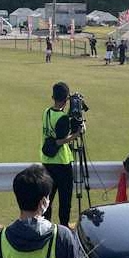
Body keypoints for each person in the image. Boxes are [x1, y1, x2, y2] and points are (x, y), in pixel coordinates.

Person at [40, 82, 81, 228]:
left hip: (46, 161)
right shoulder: (62, 117)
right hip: (62, 163)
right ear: (66, 99)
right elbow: (61, 139)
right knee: (65, 199)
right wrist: (75, 135)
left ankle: (45, 226)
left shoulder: (46, 112)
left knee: (47, 198)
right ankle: (63, 227)